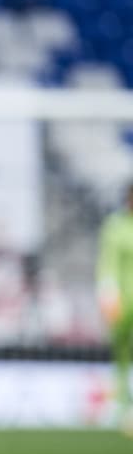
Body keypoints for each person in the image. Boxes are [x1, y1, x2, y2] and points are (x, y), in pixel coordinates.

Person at [97, 182, 133, 433]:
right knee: (121, 353)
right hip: (124, 301)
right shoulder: (115, 226)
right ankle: (121, 405)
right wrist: (108, 293)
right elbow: (107, 263)